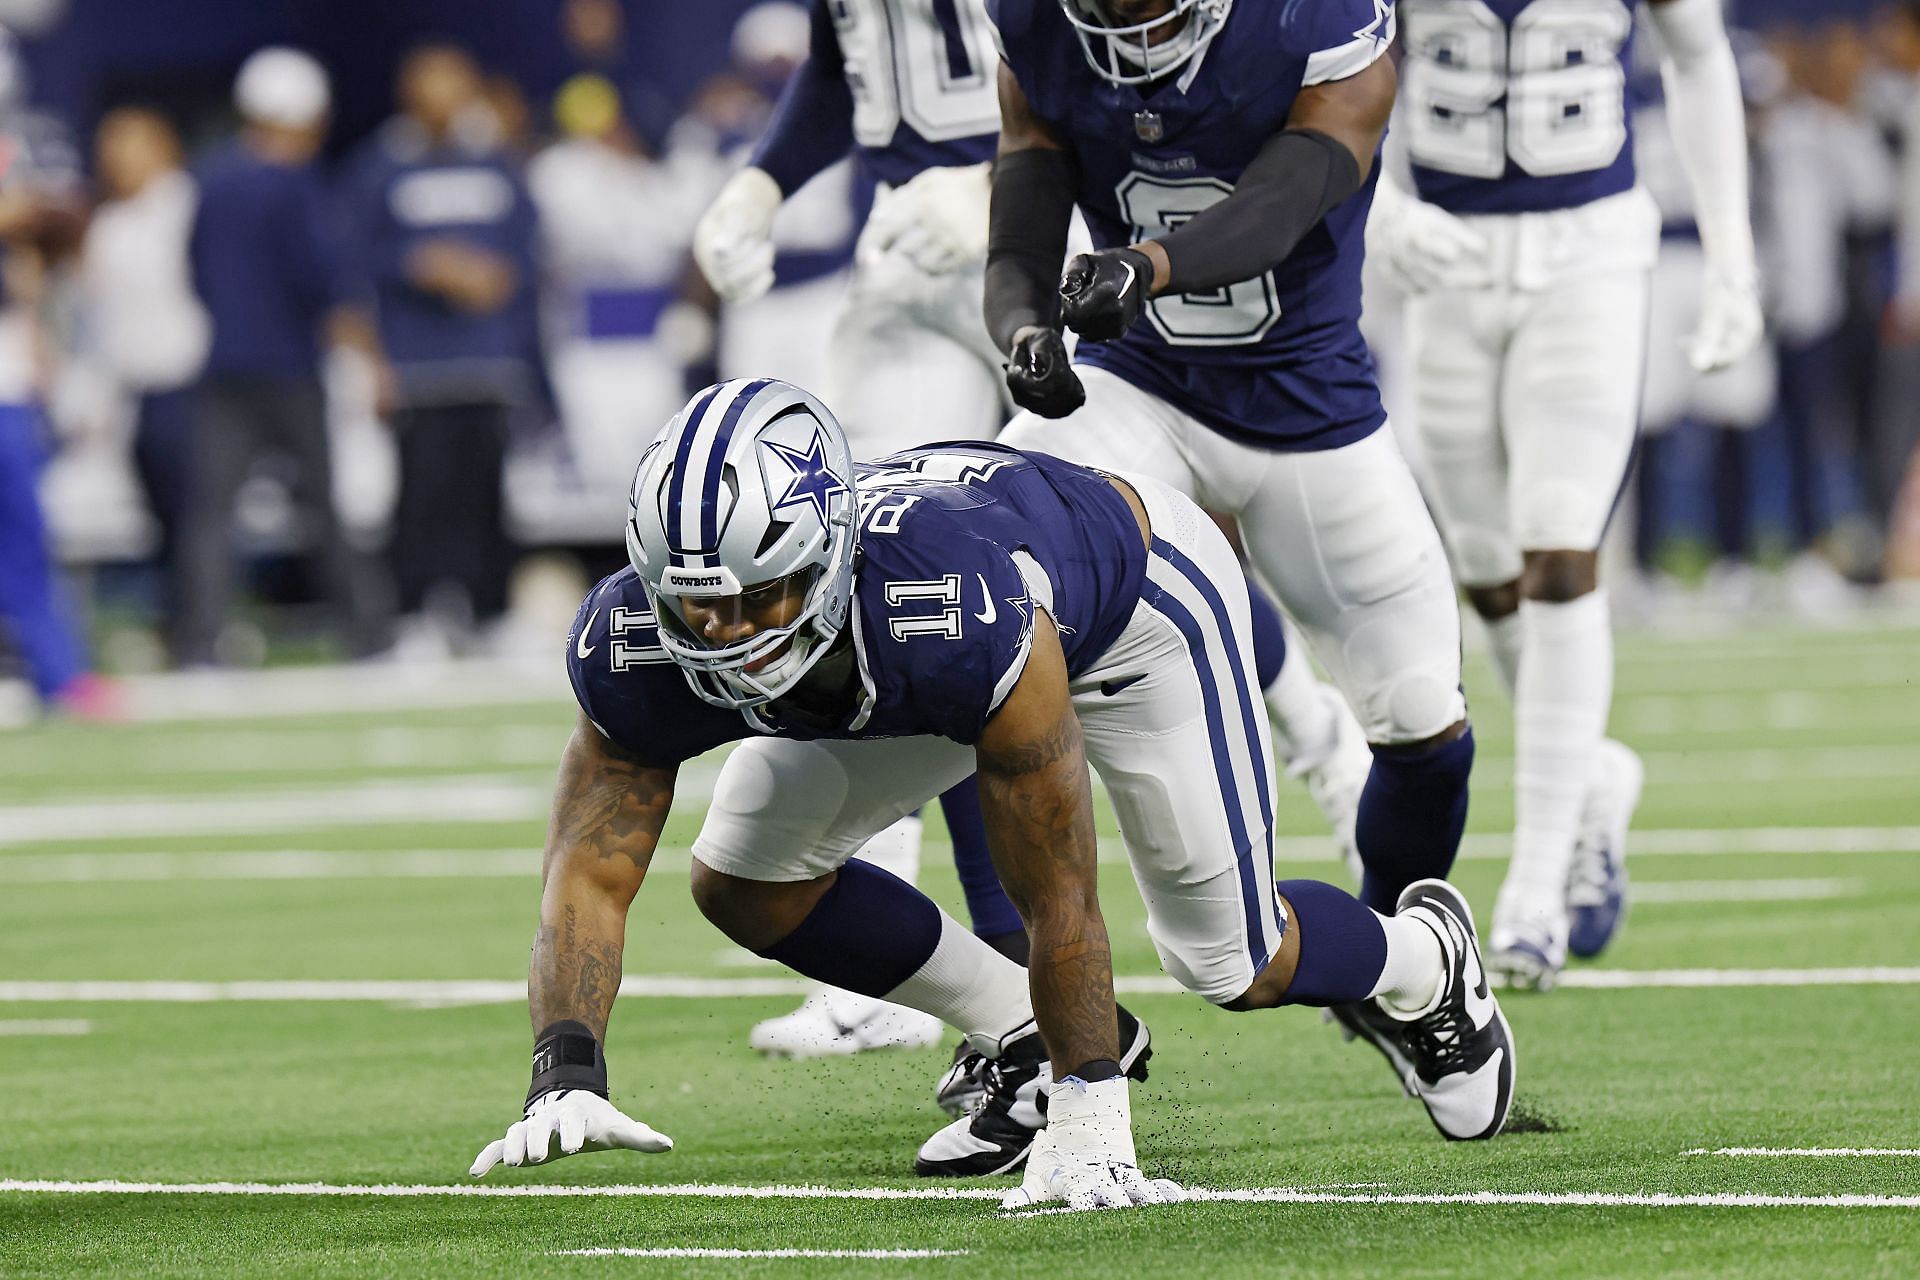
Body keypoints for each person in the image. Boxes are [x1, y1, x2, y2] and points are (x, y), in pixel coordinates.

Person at [468, 378, 1515, 1208]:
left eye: (758, 596)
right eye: (699, 607)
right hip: (932, 645)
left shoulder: (946, 609)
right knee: (745, 872)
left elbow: (1058, 888)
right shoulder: (636, 643)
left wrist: (1091, 1115)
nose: (729, 635)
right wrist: (565, 1064)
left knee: (1232, 958)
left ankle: (1425, 960)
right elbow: (590, 873)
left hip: (1135, 612)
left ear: (827, 559)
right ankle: (1014, 1031)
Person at [985, 0, 1483, 1106]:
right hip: (1138, 391)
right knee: (985, 599)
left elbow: (1285, 200)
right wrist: (1019, 326)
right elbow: (1023, 196)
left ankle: (1405, 976)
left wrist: (1145, 266)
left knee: (1423, 725)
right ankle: (1009, 1023)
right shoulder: (1036, 21)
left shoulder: (1315, 16)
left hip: (1309, 411)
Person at [1366, 0, 1765, 985]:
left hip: (1589, 247)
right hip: (1447, 256)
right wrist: (1380, 203)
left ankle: (1536, 888)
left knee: (1559, 547)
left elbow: (1701, 54)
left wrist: (1731, 257)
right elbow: (1324, 63)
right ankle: (1590, 779)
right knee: (1486, 571)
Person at [689, 0, 1015, 1061]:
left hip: (1059, 231)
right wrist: (765, 177)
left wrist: (1005, 174)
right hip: (907, 260)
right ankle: (995, 999)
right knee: (904, 585)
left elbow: (1131, 69)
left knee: (1139, 558)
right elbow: (852, 63)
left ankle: (1326, 756)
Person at [177, 47, 380, 667]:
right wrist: (367, 353)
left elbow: (197, 272)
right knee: (324, 507)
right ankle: (366, 633)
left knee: (211, 514)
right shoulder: (298, 185)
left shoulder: (211, 178)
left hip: (226, 365)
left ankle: (201, 640)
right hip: (291, 368)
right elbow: (322, 279)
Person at [344, 43, 541, 655]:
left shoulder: (497, 164)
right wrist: (421, 266)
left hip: (487, 358)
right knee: (420, 497)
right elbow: (354, 261)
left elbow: (529, 252)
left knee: (486, 494)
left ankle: (489, 614)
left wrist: (494, 276)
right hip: (419, 363)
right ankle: (412, 616)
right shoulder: (380, 166)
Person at [79, 106, 209, 639]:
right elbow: (99, 324)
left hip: (192, 380)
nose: (118, 159)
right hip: (138, 390)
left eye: (130, 145)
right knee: (161, 514)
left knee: (198, 514)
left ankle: (204, 627)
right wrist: (97, 398)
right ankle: (180, 622)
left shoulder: (190, 207)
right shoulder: (107, 226)